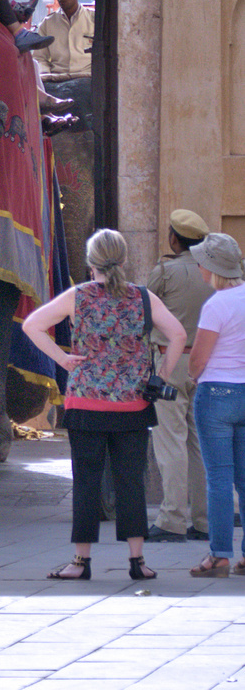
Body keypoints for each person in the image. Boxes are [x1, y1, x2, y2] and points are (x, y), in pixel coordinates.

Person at [21, 228, 185, 582]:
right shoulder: (143, 298)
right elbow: (179, 335)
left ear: (90, 263)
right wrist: (162, 377)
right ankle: (137, 561)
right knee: (131, 481)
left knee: (86, 482)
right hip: (134, 405)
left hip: (85, 402)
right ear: (124, 260)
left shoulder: (77, 296)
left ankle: (80, 562)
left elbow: (32, 325)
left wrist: (62, 359)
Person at [145, 209, 216, 543]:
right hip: (208, 366)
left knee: (170, 441)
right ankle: (205, 519)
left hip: (169, 364)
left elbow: (143, 314)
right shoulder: (216, 274)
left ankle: (172, 518)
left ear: (175, 238)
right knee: (200, 444)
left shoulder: (165, 272)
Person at [187, 231, 245, 577]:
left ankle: (219, 554)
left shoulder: (216, 305)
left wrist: (195, 377)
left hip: (217, 394)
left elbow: (198, 359)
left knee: (219, 478)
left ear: (211, 266)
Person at [37, 0, 95, 81]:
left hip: (87, 78)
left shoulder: (94, 19)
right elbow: (39, 57)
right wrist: (45, 76)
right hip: (57, 79)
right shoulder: (47, 23)